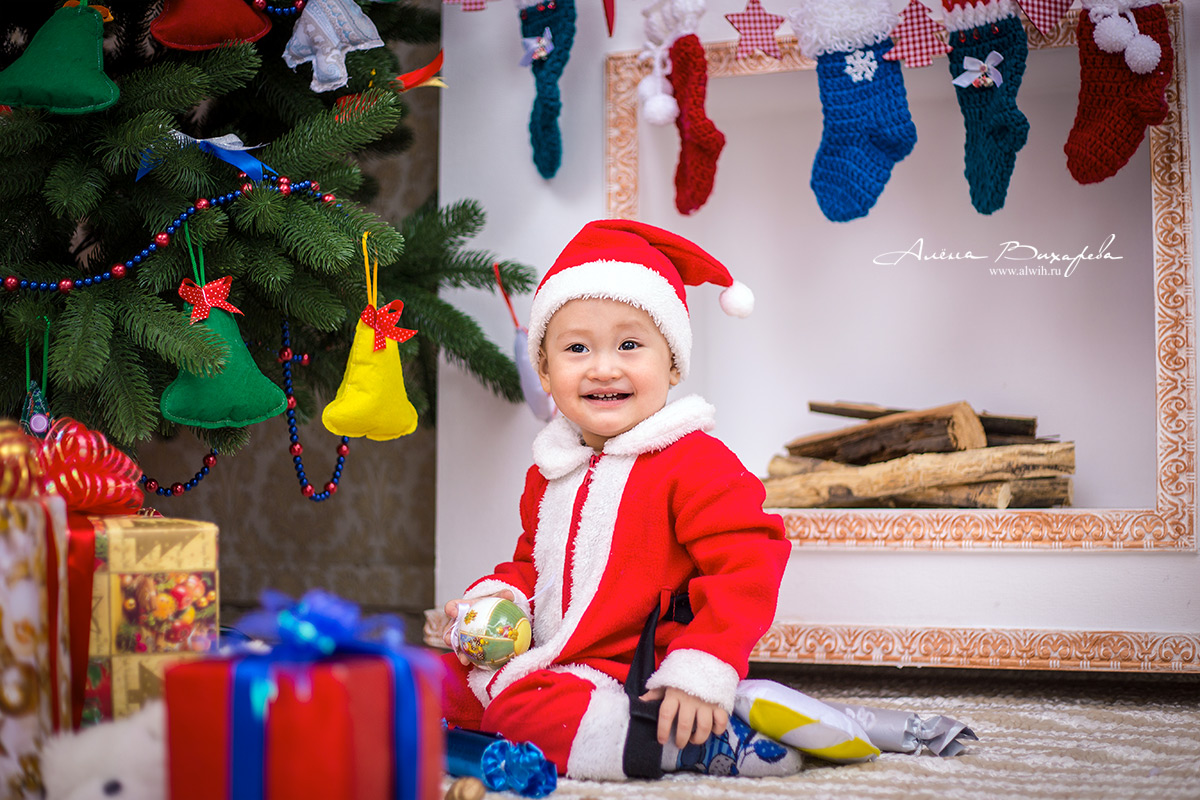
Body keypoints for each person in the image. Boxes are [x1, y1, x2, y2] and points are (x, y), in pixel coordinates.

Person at [439, 220, 798, 781]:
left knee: (524, 711)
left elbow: (748, 565)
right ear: (545, 371)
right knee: (436, 677)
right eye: (576, 348)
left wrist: (702, 665)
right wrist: (485, 609)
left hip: (631, 670)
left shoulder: (694, 463)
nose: (603, 367)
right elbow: (530, 566)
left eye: (630, 345)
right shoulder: (552, 469)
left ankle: (685, 741)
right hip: (554, 656)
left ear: (673, 364)